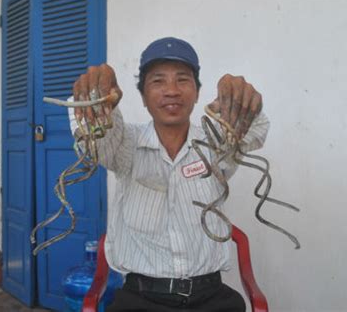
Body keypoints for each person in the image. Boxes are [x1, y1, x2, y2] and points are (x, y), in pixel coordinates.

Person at [69, 37, 270, 312]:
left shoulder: (216, 144)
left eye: (183, 80)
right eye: (158, 81)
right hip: (140, 300)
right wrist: (94, 97)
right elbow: (93, 135)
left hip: (212, 298)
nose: (171, 91)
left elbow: (255, 130)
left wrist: (245, 101)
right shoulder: (125, 145)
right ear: (142, 96)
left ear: (198, 92)